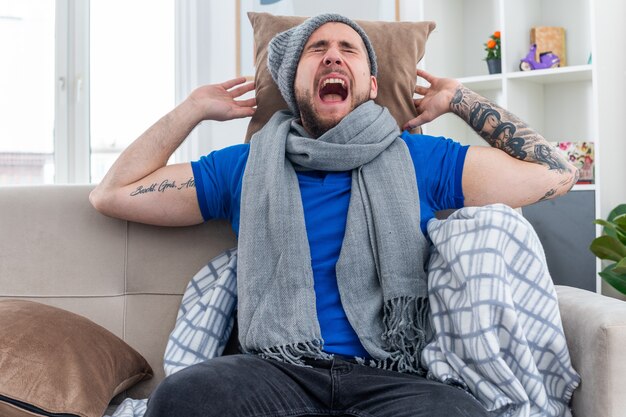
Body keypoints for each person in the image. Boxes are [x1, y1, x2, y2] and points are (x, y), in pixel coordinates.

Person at [90, 13, 578, 417]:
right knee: (183, 399)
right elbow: (113, 195)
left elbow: (555, 173)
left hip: (392, 375)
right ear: (292, 81)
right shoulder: (245, 166)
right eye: (316, 48)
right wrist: (192, 109)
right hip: (275, 371)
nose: (332, 55)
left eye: (349, 48)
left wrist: (460, 101)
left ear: (369, 84)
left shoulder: (421, 159)